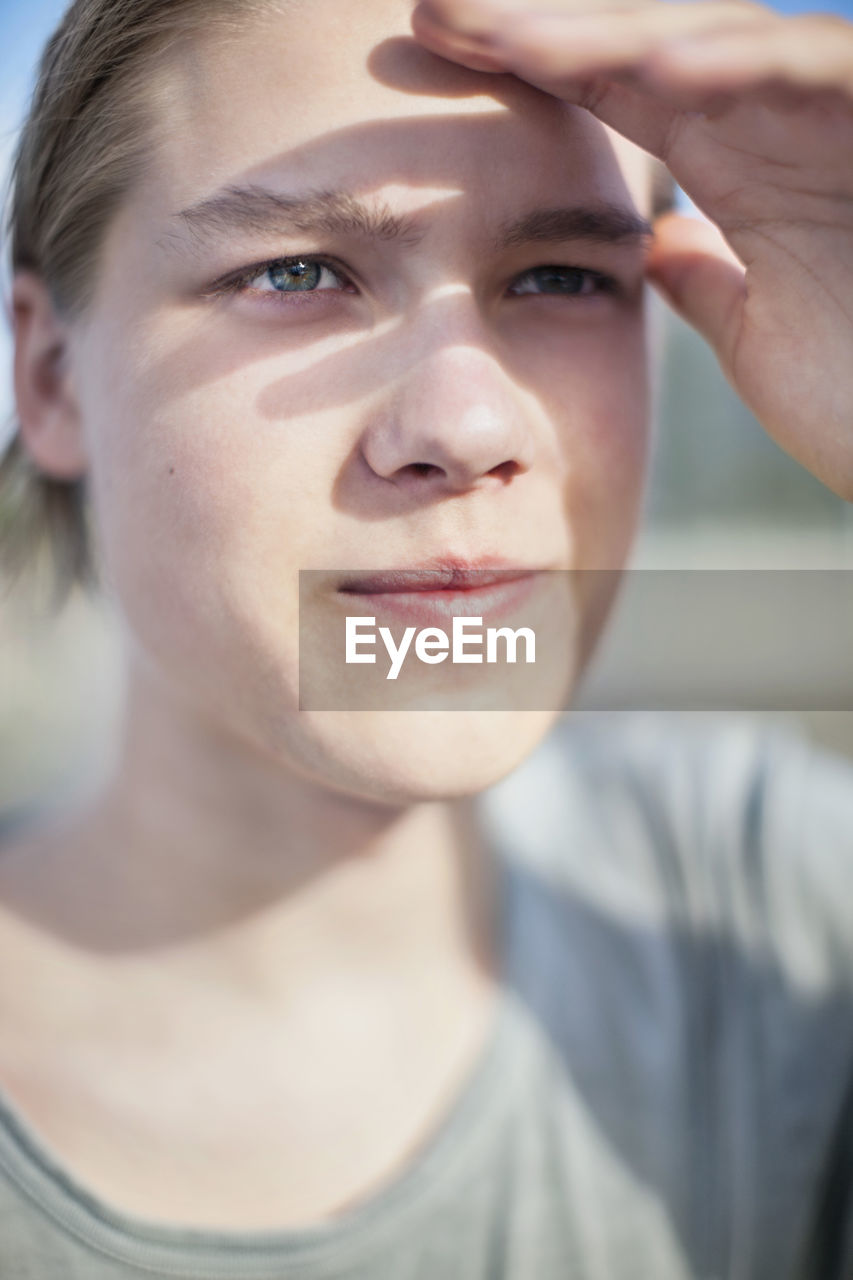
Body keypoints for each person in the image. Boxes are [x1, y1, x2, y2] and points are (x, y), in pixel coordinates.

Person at [0, 0, 851, 1275]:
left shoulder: (769, 898)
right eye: (297, 274)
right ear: (52, 377)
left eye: (562, 277)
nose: (464, 422)